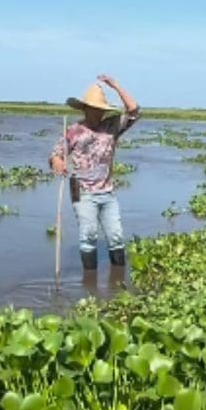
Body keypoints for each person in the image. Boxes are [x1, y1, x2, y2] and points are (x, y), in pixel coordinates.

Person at [48, 75, 140, 271]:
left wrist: (116, 85)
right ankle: (89, 283)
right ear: (85, 108)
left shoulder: (112, 125)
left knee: (115, 235)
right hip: (81, 192)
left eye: (101, 110)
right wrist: (58, 162)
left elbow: (133, 110)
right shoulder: (73, 131)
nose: (97, 113)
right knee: (88, 235)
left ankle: (118, 278)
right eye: (94, 109)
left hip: (107, 191)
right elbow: (56, 154)